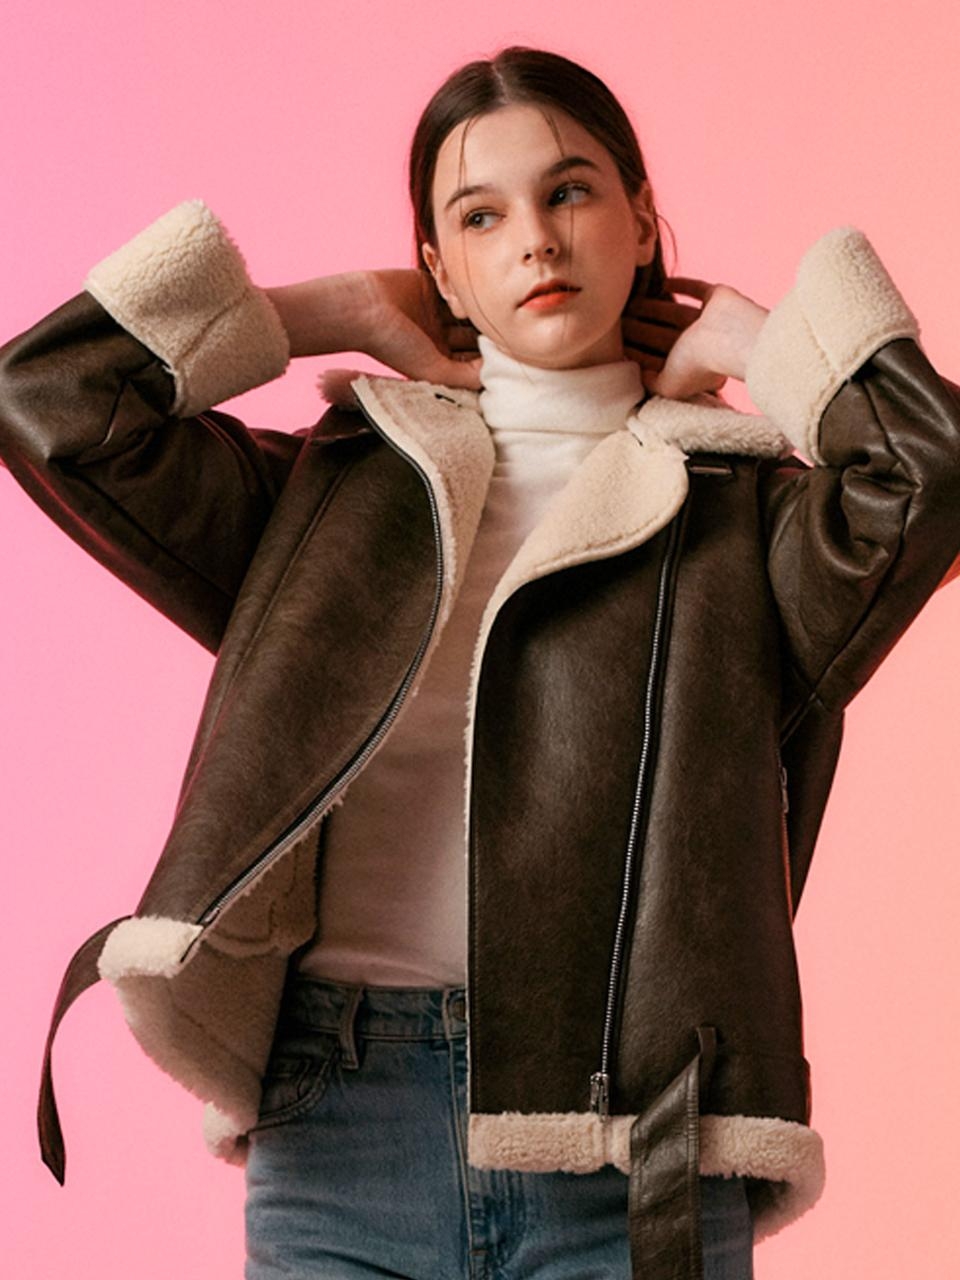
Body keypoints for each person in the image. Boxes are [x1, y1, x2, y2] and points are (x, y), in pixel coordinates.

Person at [2, 45, 959, 1280]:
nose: (537, 240)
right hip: (338, 1122)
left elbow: (932, 473)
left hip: (636, 1139)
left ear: (643, 220)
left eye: (571, 191)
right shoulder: (334, 491)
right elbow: (53, 397)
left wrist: (757, 337)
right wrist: (325, 311)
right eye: (480, 215)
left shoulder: (747, 518)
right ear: (440, 265)